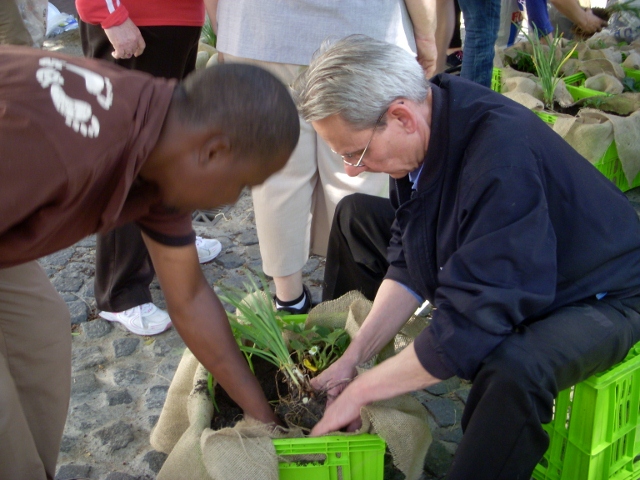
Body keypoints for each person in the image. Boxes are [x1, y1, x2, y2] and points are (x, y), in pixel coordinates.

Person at [292, 35, 640, 479]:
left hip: (599, 289)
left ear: (401, 116)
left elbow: (474, 323)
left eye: (355, 153)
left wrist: (364, 391)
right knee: (356, 216)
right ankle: (346, 377)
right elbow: (411, 252)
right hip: (514, 255)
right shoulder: (432, 114)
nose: (351, 169)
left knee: (515, 367)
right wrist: (355, 358)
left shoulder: (499, 159)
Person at [0, 45, 299, 479]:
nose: (232, 200)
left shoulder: (164, 148)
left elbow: (189, 297)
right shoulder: (65, 153)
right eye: (242, 184)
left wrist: (267, 420)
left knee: (40, 336)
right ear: (213, 152)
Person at [207, 0, 436, 315]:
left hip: (257, 27)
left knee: (276, 172)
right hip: (361, 27)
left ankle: (289, 299)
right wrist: (426, 35)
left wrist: (224, 23)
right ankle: (357, 303)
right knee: (358, 168)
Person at [76, 0, 223, 335]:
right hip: (135, 22)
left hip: (178, 21)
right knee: (131, 156)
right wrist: (110, 15)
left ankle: (170, 243)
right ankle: (120, 291)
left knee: (171, 146)